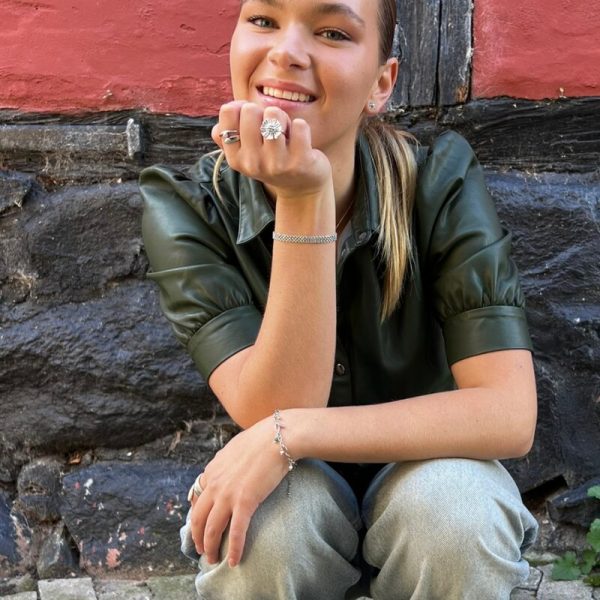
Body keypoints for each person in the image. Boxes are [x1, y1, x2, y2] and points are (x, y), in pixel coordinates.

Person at [138, 0, 539, 598]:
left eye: (331, 32)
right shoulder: (189, 207)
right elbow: (271, 404)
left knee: (457, 514)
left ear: (382, 83)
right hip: (294, 484)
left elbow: (508, 413)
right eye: (264, 21)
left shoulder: (440, 181)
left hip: (430, 470)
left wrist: (291, 434)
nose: (286, 52)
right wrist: (305, 201)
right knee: (264, 532)